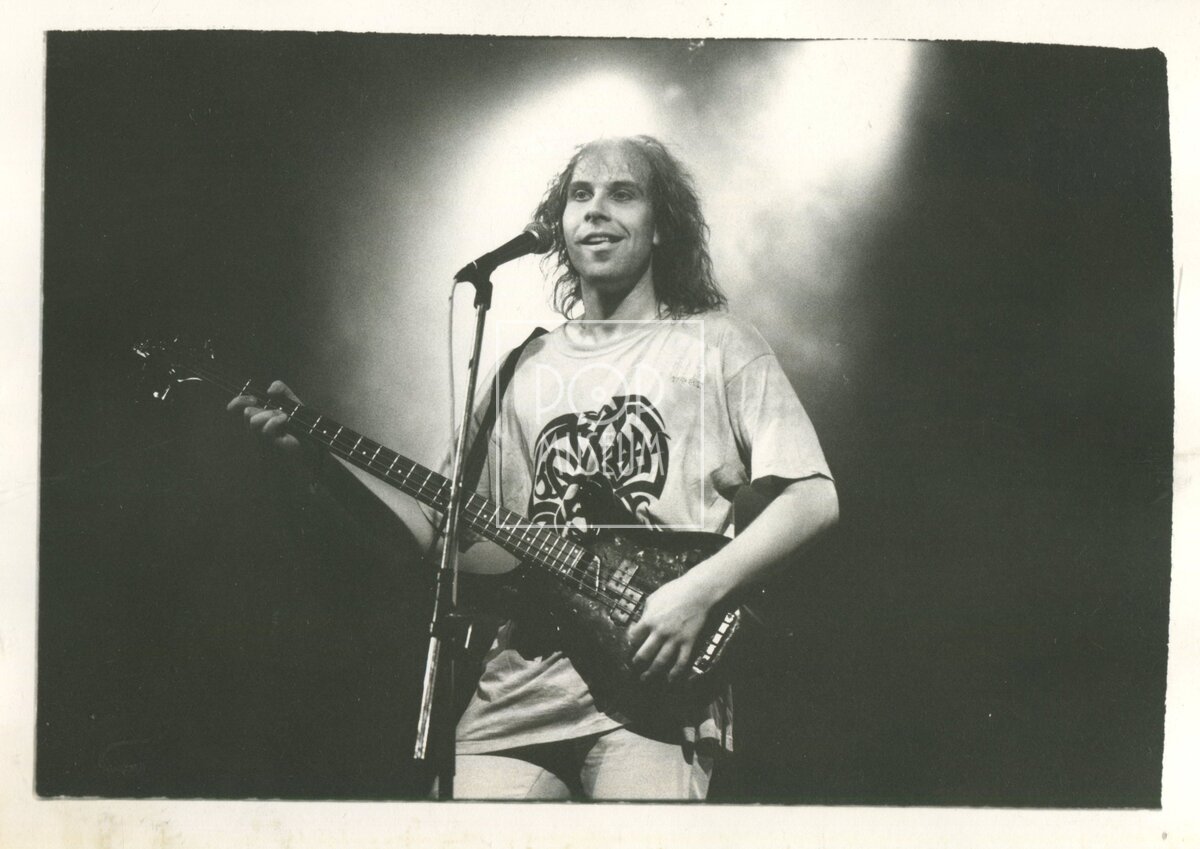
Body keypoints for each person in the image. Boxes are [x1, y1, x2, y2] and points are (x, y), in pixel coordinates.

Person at [229, 135, 838, 800]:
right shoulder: (522, 365)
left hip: (650, 692)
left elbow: (812, 498)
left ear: (662, 226)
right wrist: (321, 463)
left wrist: (695, 595)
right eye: (581, 195)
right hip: (511, 699)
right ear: (561, 223)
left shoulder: (717, 342)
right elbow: (435, 532)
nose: (596, 209)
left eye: (622, 194)